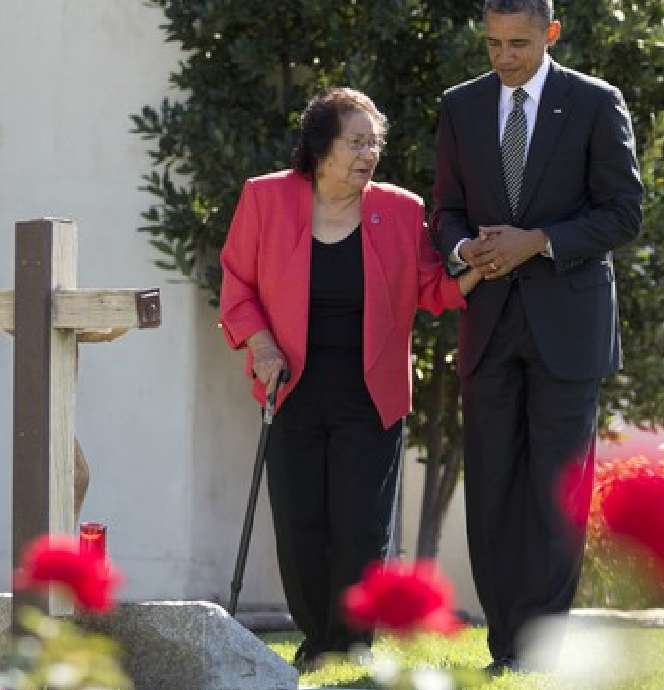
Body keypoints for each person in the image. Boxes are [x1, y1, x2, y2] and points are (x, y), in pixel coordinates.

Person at [219, 87, 481, 669]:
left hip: (370, 394)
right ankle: (317, 639)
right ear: (321, 147)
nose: (369, 154)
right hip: (291, 388)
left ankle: (352, 643)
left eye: (375, 143)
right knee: (300, 523)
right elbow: (237, 284)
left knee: (361, 528)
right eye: (356, 142)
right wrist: (261, 345)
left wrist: (474, 270)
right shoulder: (266, 198)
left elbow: (430, 289)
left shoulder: (401, 210)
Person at [431, 0, 644, 673]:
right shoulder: (460, 106)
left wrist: (539, 241)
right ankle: (505, 647)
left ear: (551, 33)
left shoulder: (595, 102)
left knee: (556, 496)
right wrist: (464, 248)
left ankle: (539, 649)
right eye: (493, 43)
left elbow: (624, 212)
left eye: (518, 43)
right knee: (492, 491)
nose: (504, 57)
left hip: (569, 330)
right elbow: (445, 212)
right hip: (488, 327)